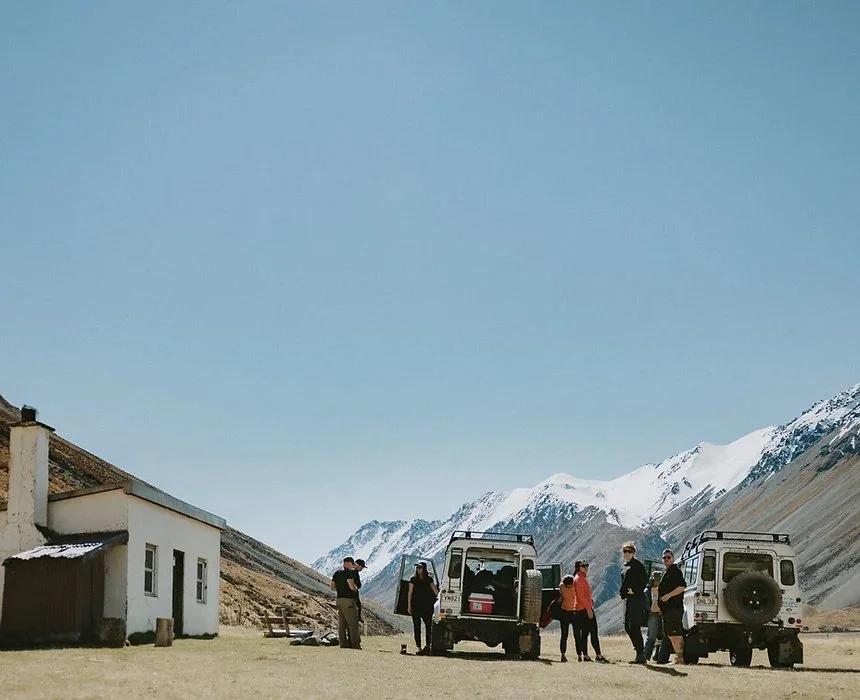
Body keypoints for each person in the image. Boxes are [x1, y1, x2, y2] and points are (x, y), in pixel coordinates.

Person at [572, 560, 607, 662]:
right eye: (583, 566)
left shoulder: (581, 578)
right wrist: (589, 609)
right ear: (578, 567)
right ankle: (597, 655)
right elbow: (581, 597)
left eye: (586, 565)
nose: (586, 567)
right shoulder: (579, 579)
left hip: (583, 608)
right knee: (592, 632)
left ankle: (586, 655)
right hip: (584, 609)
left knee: (585, 633)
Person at [619, 541, 648, 663]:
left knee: (634, 626)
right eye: (625, 551)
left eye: (629, 551)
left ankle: (641, 654)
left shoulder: (638, 566)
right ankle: (639, 652)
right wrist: (625, 594)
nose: (626, 553)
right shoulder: (626, 566)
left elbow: (644, 580)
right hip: (629, 600)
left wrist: (634, 591)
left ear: (633, 553)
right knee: (628, 626)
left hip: (637, 600)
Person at [657, 549, 687, 665]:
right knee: (670, 634)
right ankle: (677, 658)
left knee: (675, 634)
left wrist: (668, 596)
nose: (666, 559)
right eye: (664, 558)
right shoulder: (667, 571)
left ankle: (679, 658)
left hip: (674, 608)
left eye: (668, 557)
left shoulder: (675, 571)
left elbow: (682, 587)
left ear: (673, 558)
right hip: (667, 609)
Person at [408, 562, 438, 655]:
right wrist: (409, 605)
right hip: (416, 606)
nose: (418, 569)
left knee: (429, 627)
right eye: (417, 567)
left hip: (427, 607)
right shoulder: (413, 579)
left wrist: (439, 601)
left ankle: (428, 646)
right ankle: (419, 648)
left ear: (424, 568)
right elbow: (410, 593)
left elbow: (436, 592)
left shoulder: (429, 579)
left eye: (420, 567)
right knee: (417, 627)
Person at [331, 556, 361, 649]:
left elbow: (332, 587)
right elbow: (351, 585)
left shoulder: (337, 573)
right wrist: (355, 590)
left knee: (342, 623)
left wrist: (340, 590)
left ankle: (343, 644)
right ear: (350, 564)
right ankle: (355, 644)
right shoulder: (348, 573)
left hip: (339, 599)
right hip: (349, 600)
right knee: (353, 623)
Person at [643, 570, 667, 662]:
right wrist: (652, 610)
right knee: (652, 637)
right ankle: (645, 657)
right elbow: (646, 605)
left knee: (662, 637)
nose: (657, 582)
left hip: (661, 615)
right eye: (656, 581)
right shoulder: (647, 591)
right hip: (653, 616)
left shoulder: (662, 591)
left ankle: (658, 657)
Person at [558, 574, 577, 662]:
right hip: (573, 611)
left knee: (564, 635)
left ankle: (563, 655)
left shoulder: (562, 586)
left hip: (564, 611)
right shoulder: (574, 586)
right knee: (576, 634)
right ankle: (579, 655)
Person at [354, 558, 367, 633]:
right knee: (357, 605)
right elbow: (358, 584)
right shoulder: (354, 572)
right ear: (358, 566)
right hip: (353, 593)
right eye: (362, 567)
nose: (362, 569)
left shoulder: (351, 571)